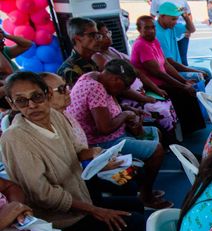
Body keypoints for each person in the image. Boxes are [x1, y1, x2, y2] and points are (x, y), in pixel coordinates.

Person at [1, 71, 161, 231]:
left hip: (78, 200)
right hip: (57, 218)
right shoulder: (15, 139)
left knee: (134, 203)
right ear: (11, 103)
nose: (31, 105)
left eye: (36, 96)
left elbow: (76, 152)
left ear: (46, 95)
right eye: (21, 101)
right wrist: (95, 210)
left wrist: (99, 157)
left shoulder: (55, 117)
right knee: (132, 223)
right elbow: (42, 195)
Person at [65, 59, 173, 209]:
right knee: (157, 150)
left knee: (155, 132)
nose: (124, 90)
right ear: (115, 79)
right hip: (100, 143)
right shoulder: (95, 88)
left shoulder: (94, 76)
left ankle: (142, 186)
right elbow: (104, 128)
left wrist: (125, 108)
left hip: (113, 135)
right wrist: (126, 115)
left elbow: (102, 108)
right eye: (125, 86)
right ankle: (145, 196)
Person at [92, 22, 179, 139]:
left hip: (141, 92)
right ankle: (169, 141)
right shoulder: (98, 57)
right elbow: (120, 87)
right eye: (104, 34)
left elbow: (137, 72)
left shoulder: (113, 51)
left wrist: (156, 89)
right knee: (160, 109)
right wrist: (144, 98)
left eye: (108, 32)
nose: (109, 36)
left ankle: (174, 138)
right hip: (129, 99)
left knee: (167, 99)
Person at [130, 15, 206, 134]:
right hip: (152, 86)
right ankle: (185, 131)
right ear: (139, 30)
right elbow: (158, 73)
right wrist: (182, 86)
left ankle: (191, 129)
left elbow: (166, 65)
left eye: (153, 28)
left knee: (190, 88)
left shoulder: (154, 41)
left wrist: (184, 81)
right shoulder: (141, 45)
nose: (151, 31)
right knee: (185, 92)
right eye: (147, 28)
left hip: (163, 81)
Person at [152, 3, 212, 83]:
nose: (175, 22)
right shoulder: (158, 33)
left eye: (177, 19)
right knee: (201, 75)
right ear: (162, 16)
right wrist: (192, 71)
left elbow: (191, 29)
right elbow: (169, 63)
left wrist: (185, 16)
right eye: (173, 19)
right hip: (168, 71)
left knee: (206, 72)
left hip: (176, 67)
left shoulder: (170, 26)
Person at [151, 0, 196, 66]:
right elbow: (152, 15)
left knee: (182, 57)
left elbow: (189, 16)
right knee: (170, 58)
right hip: (170, 70)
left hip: (180, 33)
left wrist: (186, 20)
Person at [56, 18, 101, 87]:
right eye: (92, 35)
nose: (97, 39)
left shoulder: (92, 63)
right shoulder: (68, 71)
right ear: (77, 39)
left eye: (97, 35)